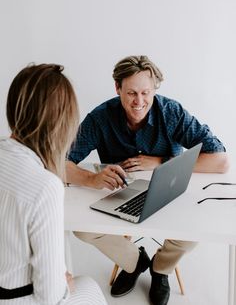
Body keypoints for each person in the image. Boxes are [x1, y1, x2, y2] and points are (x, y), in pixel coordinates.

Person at [66, 55, 229, 305]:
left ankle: (160, 269)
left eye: (146, 92)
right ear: (117, 88)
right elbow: (59, 163)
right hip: (120, 194)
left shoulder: (171, 112)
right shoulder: (100, 118)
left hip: (168, 193)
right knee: (82, 230)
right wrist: (92, 178)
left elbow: (220, 160)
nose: (139, 102)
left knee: (198, 229)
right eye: (131, 92)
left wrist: (160, 162)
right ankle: (135, 262)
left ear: (154, 90)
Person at [0, 64, 107, 305]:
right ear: (62, 121)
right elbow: (50, 297)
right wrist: (64, 287)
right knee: (89, 287)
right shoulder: (44, 186)